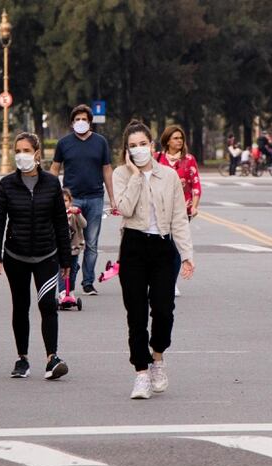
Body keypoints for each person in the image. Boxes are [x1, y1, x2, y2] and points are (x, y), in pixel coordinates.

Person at [113, 120, 194, 399]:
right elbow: (122, 208)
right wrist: (136, 175)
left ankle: (157, 357)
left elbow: (179, 218)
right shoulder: (121, 175)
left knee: (163, 310)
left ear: (152, 145)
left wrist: (186, 255)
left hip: (162, 247)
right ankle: (141, 373)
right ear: (126, 150)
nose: (139, 150)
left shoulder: (168, 176)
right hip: (134, 246)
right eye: (133, 146)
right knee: (135, 314)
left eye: (143, 144)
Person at [0, 132, 72, 380]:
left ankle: (52, 358)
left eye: (26, 150)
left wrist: (66, 259)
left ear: (37, 154)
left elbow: (60, 222)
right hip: (16, 256)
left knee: (48, 304)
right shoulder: (6, 185)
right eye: (18, 151)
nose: (21, 155)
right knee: (20, 306)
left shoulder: (51, 183)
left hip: (47, 255)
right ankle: (22, 358)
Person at [50, 104, 114, 296]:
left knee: (92, 243)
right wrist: (53, 195)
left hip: (95, 197)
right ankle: (68, 284)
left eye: (84, 119)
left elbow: (107, 170)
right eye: (77, 119)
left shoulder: (100, 142)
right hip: (72, 199)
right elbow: (55, 168)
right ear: (72, 123)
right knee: (72, 243)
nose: (80, 122)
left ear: (90, 122)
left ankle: (88, 282)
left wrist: (113, 198)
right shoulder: (64, 143)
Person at [156, 125, 201, 298]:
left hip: (182, 210)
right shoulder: (158, 158)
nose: (179, 141)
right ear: (167, 140)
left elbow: (196, 184)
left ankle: (171, 282)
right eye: (175, 138)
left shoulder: (188, 160)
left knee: (175, 247)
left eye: (181, 138)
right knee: (162, 247)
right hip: (160, 209)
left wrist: (194, 206)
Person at [59, 188, 86, 301]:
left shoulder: (74, 215)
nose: (63, 203)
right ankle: (63, 292)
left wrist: (78, 214)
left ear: (70, 202)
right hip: (60, 249)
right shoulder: (56, 216)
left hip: (74, 248)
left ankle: (71, 291)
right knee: (62, 271)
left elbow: (84, 225)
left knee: (72, 272)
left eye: (65, 201)